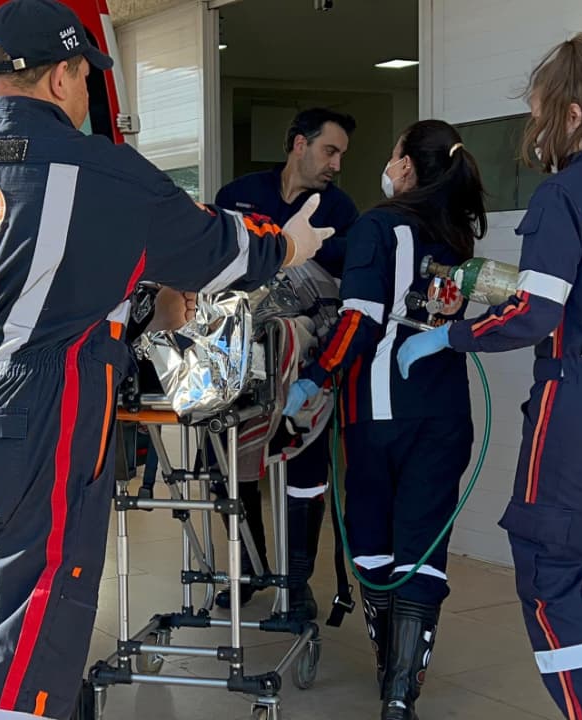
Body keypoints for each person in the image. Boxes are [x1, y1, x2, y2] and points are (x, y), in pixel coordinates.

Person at [0, 1, 335, 718]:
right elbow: (220, 252)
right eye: (86, 79)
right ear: (64, 78)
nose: (86, 96)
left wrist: (135, 310)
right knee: (5, 680)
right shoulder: (100, 172)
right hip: (24, 444)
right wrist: (293, 243)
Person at [398, 34, 582, 720]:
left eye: (539, 112)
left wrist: (449, 335)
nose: (534, 128)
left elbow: (534, 313)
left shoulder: (567, 193)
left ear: (575, 114)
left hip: (581, 403)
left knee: (550, 570)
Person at [282, 119, 488, 719]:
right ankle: (401, 693)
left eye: (395, 154)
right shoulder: (454, 233)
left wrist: (316, 379)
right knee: (422, 546)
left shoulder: (380, 225)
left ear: (405, 167)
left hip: (377, 415)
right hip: (444, 413)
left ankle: (389, 671)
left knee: (371, 542)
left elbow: (360, 320)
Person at [212, 107, 360, 619]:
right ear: (299, 144)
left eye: (341, 154)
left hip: (306, 363)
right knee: (231, 465)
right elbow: (217, 261)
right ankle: (250, 569)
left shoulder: (340, 210)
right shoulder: (239, 195)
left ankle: (296, 584)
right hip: (240, 354)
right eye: (330, 150)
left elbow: (351, 282)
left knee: (306, 469)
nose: (336, 164)